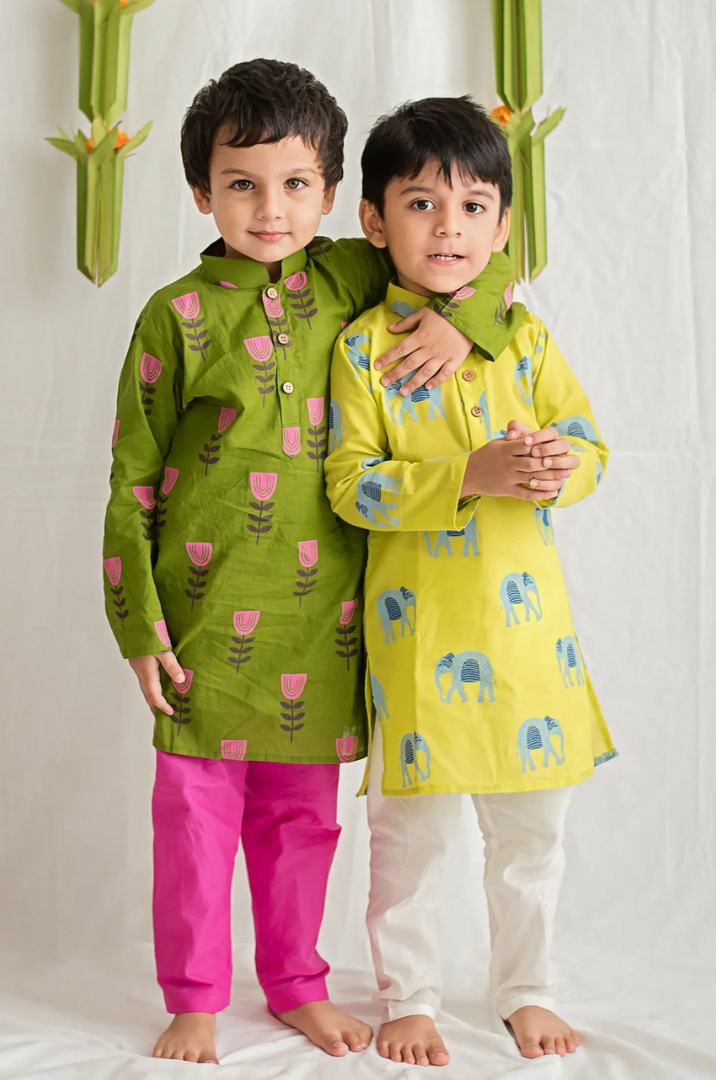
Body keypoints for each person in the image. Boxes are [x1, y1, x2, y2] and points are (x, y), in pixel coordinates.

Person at [102, 61, 527, 1065]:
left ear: (335, 194)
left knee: (303, 822)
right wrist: (138, 625)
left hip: (328, 619)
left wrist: (458, 322)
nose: (271, 209)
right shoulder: (174, 315)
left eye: (296, 184)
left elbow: (486, 256)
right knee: (195, 821)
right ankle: (196, 999)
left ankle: (296, 984)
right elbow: (132, 480)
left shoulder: (351, 276)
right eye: (241, 184)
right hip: (202, 619)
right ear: (201, 192)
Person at [324, 95, 617, 1067]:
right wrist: (468, 476)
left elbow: (590, 445)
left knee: (532, 839)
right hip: (420, 645)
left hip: (528, 647)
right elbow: (352, 486)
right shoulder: (362, 351)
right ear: (375, 222)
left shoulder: (523, 339)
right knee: (410, 842)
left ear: (502, 226)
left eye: (474, 206)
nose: (449, 227)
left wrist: (561, 467)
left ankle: (525, 988)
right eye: (422, 203)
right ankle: (409, 997)